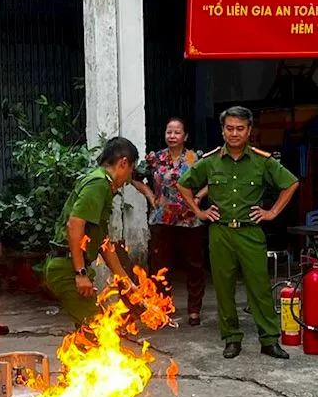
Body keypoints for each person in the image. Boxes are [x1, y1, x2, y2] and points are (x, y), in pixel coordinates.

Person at [177, 106, 299, 360]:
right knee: (223, 288)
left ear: (249, 131)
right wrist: (199, 212)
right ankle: (232, 339)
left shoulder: (262, 161)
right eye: (229, 128)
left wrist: (272, 212)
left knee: (260, 288)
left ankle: (268, 339)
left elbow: (291, 183)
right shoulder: (210, 162)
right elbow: (183, 184)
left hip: (250, 232)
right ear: (222, 130)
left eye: (240, 128)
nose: (234, 133)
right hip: (220, 233)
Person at [43, 137, 140, 327]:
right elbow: (74, 225)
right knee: (97, 329)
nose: (129, 178)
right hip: (67, 267)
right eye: (131, 170)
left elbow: (104, 243)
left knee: (90, 332)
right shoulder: (98, 184)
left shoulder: (103, 185)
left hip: (70, 266)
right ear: (124, 163)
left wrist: (126, 282)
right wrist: (80, 273)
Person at [131, 117, 208, 326]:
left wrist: (198, 198)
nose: (172, 136)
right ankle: (162, 309)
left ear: (185, 136)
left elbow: (213, 178)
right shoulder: (155, 158)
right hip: (161, 219)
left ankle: (194, 310)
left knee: (194, 265)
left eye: (177, 132)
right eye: (169, 132)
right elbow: (134, 176)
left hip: (190, 220)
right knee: (160, 267)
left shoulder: (195, 158)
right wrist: (149, 195)